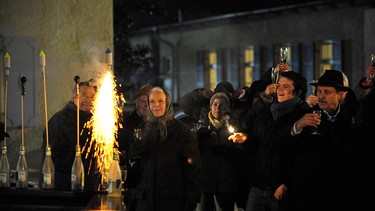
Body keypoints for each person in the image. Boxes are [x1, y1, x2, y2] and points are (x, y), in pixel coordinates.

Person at [230, 71, 308, 211]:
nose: (280, 90)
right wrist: (246, 139)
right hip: (259, 183)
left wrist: (287, 182)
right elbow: (259, 137)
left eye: (285, 86)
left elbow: (302, 154)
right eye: (278, 86)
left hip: (281, 187)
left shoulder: (303, 115)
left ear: (297, 92)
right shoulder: (268, 110)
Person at [290, 69, 357, 210]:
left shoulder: (350, 120)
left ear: (340, 95)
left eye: (327, 92)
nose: (321, 96)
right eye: (319, 91)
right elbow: (287, 147)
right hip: (310, 194)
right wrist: (298, 126)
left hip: (340, 194)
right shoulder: (305, 115)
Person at [129, 87, 202, 211]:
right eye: (152, 101)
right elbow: (138, 168)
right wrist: (133, 154)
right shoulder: (145, 129)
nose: (156, 105)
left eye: (160, 101)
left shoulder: (181, 131)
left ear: (167, 103)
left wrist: (191, 200)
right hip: (145, 200)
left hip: (171, 201)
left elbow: (193, 168)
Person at [42, 79, 100, 191]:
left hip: (88, 185)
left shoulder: (94, 120)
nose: (88, 100)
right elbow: (55, 158)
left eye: (92, 97)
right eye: (84, 96)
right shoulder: (60, 120)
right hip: (65, 186)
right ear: (74, 97)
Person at [195, 92, 243, 211]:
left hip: (227, 183)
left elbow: (241, 154)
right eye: (215, 104)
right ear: (210, 106)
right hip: (207, 182)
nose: (217, 108)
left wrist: (229, 151)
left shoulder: (233, 127)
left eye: (222, 105)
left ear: (227, 108)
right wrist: (199, 139)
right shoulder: (202, 126)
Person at [118, 84, 152, 210]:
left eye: (149, 101)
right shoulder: (127, 123)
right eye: (143, 101)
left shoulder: (159, 123)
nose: (146, 105)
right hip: (133, 178)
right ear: (137, 103)